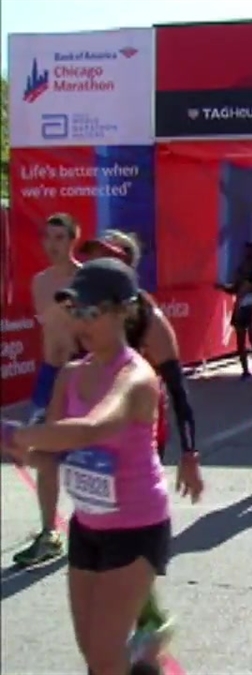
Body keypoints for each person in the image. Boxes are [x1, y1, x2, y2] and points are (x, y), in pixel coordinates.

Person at [2, 257, 204, 675]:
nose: (81, 323)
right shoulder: (70, 376)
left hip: (138, 528)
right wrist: (17, 448)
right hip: (88, 528)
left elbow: (93, 429)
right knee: (94, 653)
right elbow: (53, 454)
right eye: (76, 311)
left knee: (103, 656)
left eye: (92, 312)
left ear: (122, 311)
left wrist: (19, 434)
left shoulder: (136, 377)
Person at [80, 231, 206, 649]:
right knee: (101, 517)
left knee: (124, 520)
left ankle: (150, 620)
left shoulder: (147, 316)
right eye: (92, 258)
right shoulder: (82, 308)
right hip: (96, 429)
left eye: (105, 259)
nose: (94, 267)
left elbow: (178, 386)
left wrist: (189, 452)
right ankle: (146, 616)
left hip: (139, 427)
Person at [11, 213, 83, 568]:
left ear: (73, 239)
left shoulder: (86, 280)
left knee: (92, 457)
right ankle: (48, 532)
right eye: (48, 237)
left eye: (60, 237)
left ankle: (99, 528)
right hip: (49, 376)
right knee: (44, 454)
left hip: (82, 376)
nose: (52, 245)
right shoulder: (39, 282)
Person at [215, 243, 252, 384]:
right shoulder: (240, 270)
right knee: (241, 341)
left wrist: (250, 288)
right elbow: (235, 289)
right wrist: (222, 287)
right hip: (241, 308)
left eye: (250, 252)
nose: (247, 255)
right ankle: (245, 370)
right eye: (246, 252)